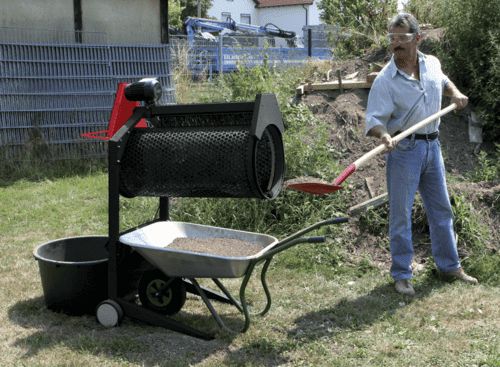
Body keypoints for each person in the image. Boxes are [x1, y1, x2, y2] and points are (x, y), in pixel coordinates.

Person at [365, 13, 478, 296]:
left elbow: (443, 81)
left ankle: (449, 267)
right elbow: (374, 120)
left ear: (418, 38)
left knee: (441, 210)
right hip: (404, 151)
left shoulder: (432, 64)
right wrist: (384, 135)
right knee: (400, 215)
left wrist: (456, 93)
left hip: (432, 147)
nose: (395, 44)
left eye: (401, 38)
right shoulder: (385, 80)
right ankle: (402, 274)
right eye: (392, 38)